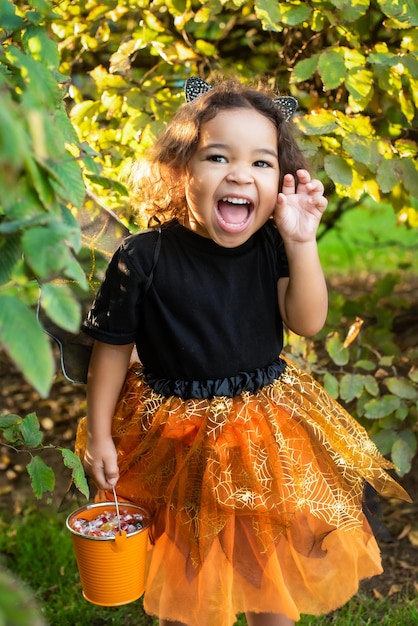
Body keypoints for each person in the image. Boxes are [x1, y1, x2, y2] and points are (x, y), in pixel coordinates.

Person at [75, 77, 410, 626]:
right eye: (217, 156)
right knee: (186, 571)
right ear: (180, 169)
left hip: (261, 432)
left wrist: (302, 242)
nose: (239, 173)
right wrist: (101, 434)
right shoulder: (142, 256)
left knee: (266, 569)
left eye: (261, 162)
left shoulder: (274, 246)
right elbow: (112, 350)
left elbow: (307, 320)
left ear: (280, 181)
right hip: (172, 436)